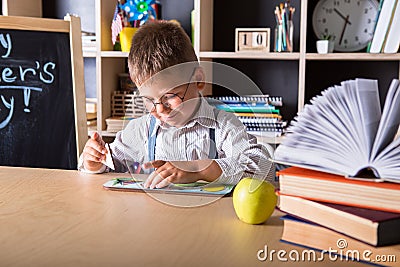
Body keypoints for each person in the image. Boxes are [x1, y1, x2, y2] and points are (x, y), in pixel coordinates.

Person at [79, 20, 274, 189]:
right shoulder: (142, 129)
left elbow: (264, 168)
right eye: (149, 100)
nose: (159, 110)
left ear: (198, 79)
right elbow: (111, 162)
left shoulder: (223, 126)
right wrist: (94, 161)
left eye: (170, 96)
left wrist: (200, 169)